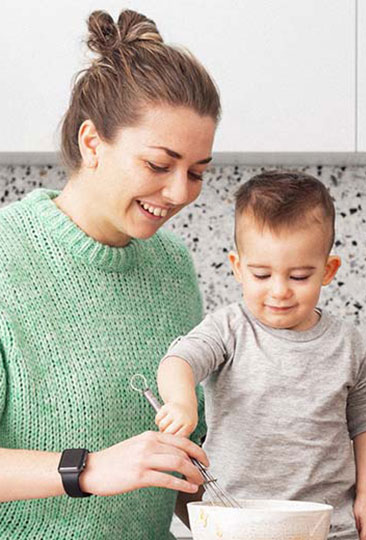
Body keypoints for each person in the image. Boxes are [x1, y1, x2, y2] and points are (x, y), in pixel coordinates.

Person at [0, 9, 221, 539]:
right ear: (92, 142)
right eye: (159, 165)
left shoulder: (171, 266)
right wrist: (91, 469)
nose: (179, 194)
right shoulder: (7, 255)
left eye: (196, 172)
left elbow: (182, 464)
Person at [155, 171, 366, 540]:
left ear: (328, 271)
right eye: (262, 275)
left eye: (299, 276)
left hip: (327, 528)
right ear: (237, 267)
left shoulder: (348, 344)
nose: (279, 291)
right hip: (235, 524)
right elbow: (179, 361)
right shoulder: (229, 329)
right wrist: (183, 402)